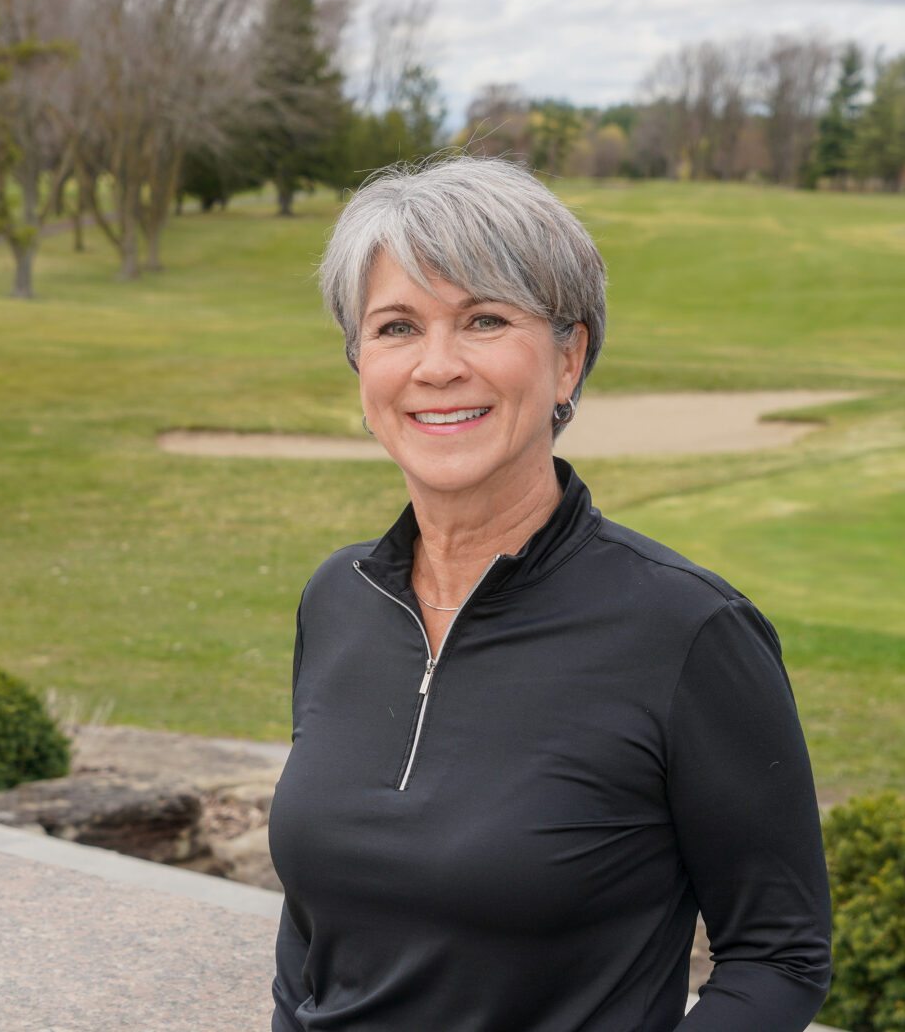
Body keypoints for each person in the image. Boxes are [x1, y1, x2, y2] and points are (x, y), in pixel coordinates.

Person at [268, 155, 831, 1032]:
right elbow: (312, 928)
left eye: (484, 319)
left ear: (569, 359)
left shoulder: (688, 632)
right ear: (360, 365)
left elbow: (781, 953)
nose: (438, 365)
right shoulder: (337, 599)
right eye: (396, 327)